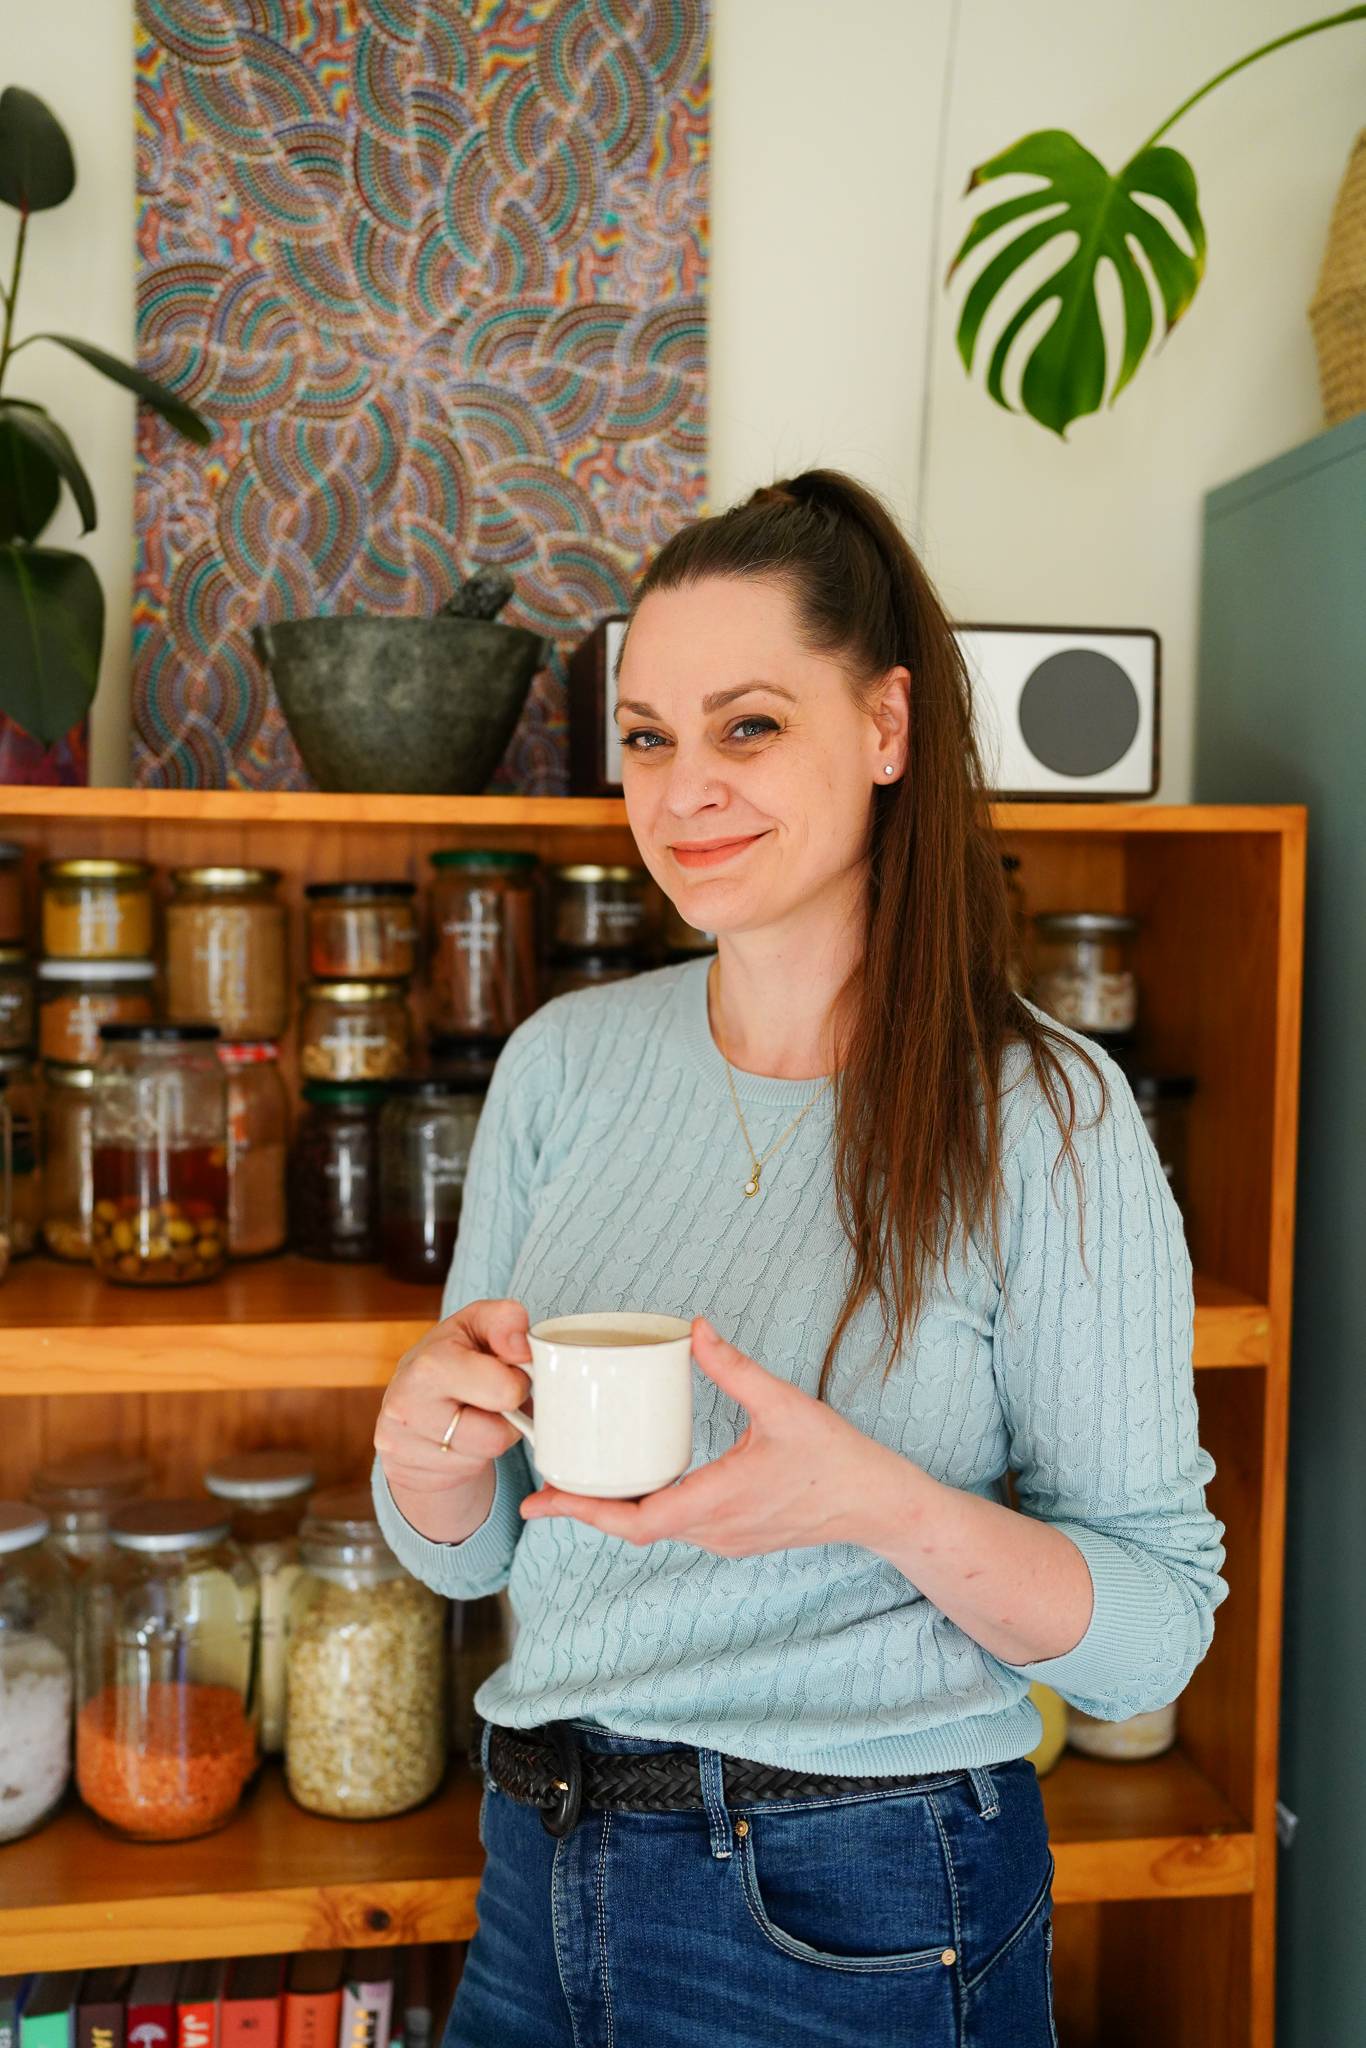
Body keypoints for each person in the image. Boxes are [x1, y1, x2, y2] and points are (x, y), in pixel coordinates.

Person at [372, 468, 1228, 2047]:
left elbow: (1150, 1632)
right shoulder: (560, 1065)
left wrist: (872, 1502)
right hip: (531, 1867)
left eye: (747, 726)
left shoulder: (1044, 1110)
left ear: (886, 729)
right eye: (648, 736)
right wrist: (424, 1449)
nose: (683, 788)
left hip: (854, 1905)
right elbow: (472, 1551)